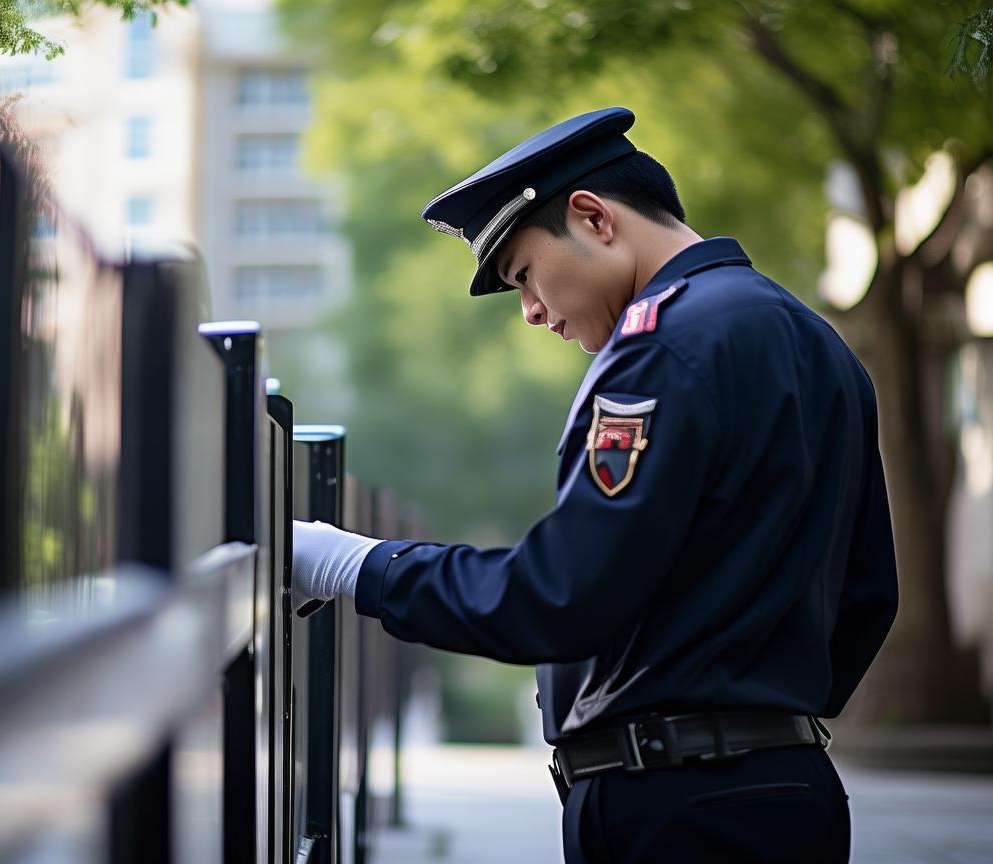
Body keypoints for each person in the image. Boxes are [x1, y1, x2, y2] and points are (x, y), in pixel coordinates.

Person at [291, 107, 898, 863]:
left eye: (523, 274)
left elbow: (561, 596)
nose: (533, 312)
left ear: (592, 217)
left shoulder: (664, 348)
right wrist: (761, 715)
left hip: (680, 806)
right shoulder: (820, 343)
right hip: (787, 790)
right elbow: (869, 598)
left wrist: (352, 565)